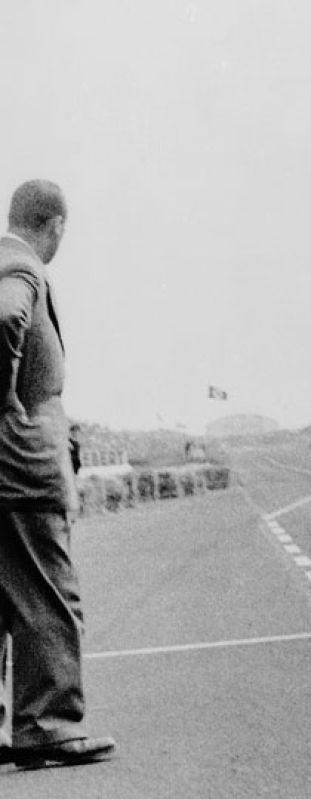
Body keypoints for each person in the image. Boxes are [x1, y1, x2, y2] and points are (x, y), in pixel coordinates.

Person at [0, 180, 115, 769]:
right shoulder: (22, 267)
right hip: (20, 466)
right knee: (47, 595)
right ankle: (47, 725)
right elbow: (5, 319)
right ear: (56, 226)